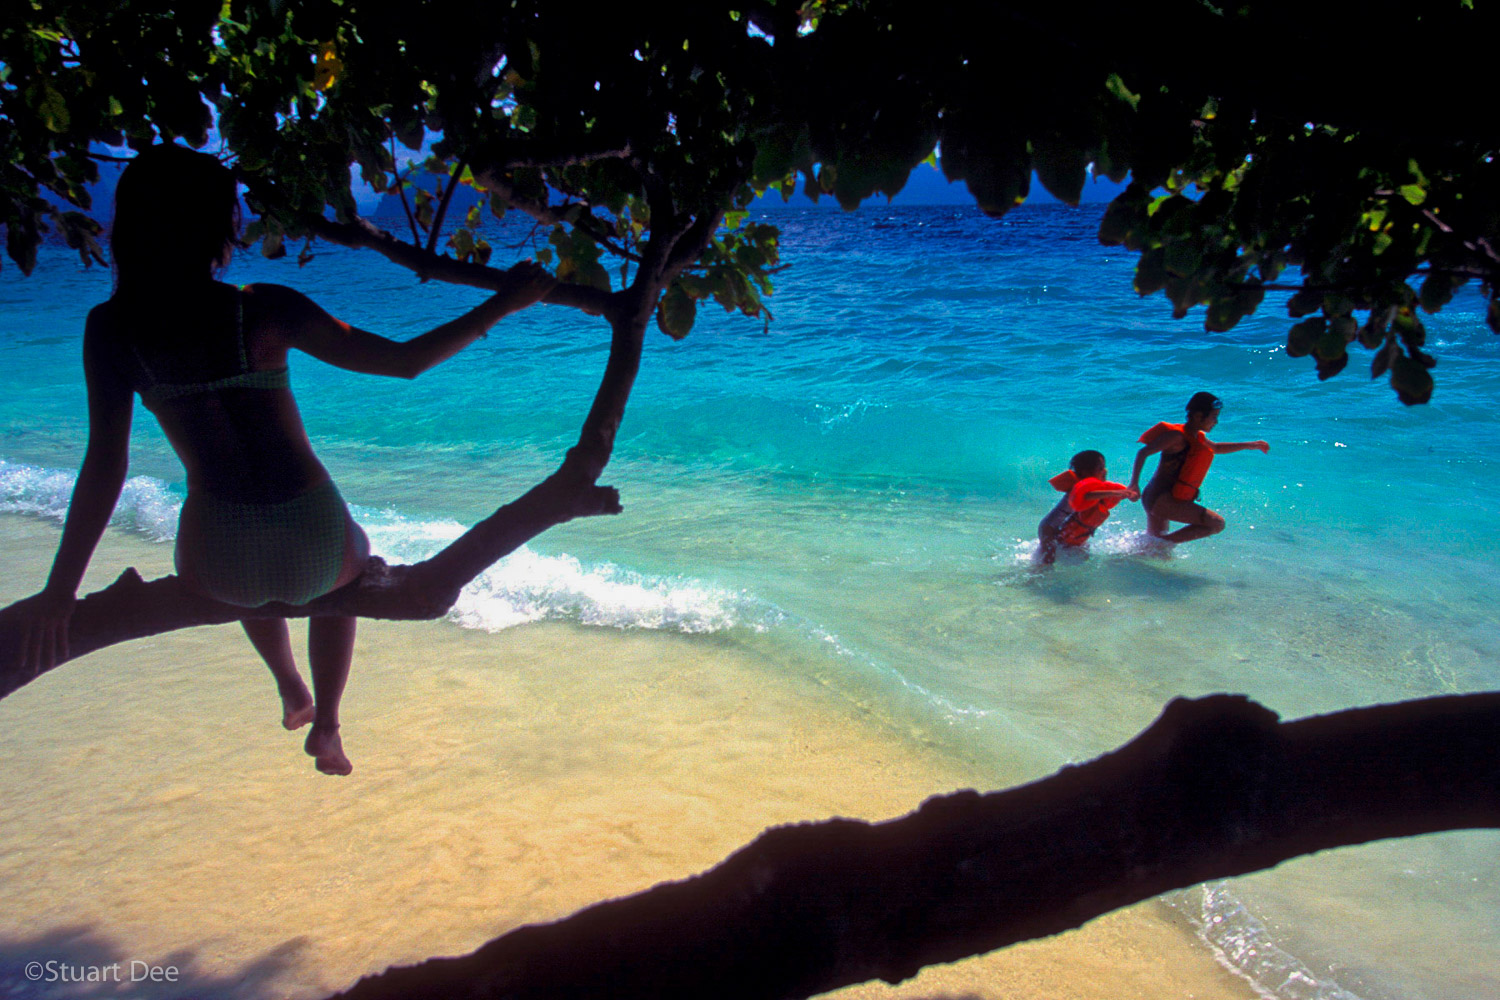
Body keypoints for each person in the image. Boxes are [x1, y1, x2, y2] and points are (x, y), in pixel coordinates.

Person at [17, 144, 556, 776]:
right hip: (314, 543)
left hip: (216, 560)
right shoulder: (260, 308)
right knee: (349, 573)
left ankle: (286, 684)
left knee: (249, 571)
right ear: (215, 229)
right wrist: (503, 304)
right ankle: (326, 722)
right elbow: (405, 362)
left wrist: (61, 591)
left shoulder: (110, 329)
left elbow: (104, 468)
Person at [1127, 391, 1269, 546]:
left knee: (1156, 552)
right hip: (1161, 498)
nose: (1216, 422)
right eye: (1213, 416)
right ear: (1198, 416)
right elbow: (1143, 452)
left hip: (1158, 497)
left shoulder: (1196, 437)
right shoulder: (1176, 436)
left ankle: (1134, 557)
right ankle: (1160, 543)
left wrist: (1250, 445)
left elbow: (1215, 448)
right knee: (1216, 524)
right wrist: (1134, 484)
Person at [1036, 450, 1138, 565]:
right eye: (1100, 468)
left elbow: (1108, 496)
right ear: (1085, 473)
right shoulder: (1077, 489)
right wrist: (1115, 493)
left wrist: (1129, 495)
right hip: (1049, 528)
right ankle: (1035, 577)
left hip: (1061, 528)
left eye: (1104, 467)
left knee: (1083, 555)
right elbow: (1087, 496)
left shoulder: (1098, 490)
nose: (1105, 471)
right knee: (1048, 561)